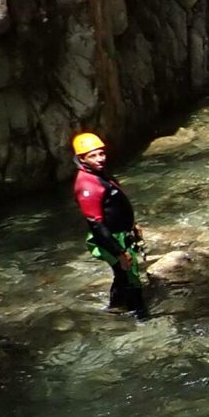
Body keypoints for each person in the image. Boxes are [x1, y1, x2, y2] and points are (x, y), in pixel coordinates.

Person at [70, 130, 150, 319]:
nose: (100, 158)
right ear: (82, 159)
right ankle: (141, 317)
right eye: (93, 156)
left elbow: (116, 206)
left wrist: (133, 225)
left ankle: (116, 308)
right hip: (110, 239)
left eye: (101, 153)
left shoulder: (100, 175)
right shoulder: (87, 185)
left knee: (122, 275)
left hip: (120, 234)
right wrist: (119, 253)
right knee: (130, 278)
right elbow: (96, 225)